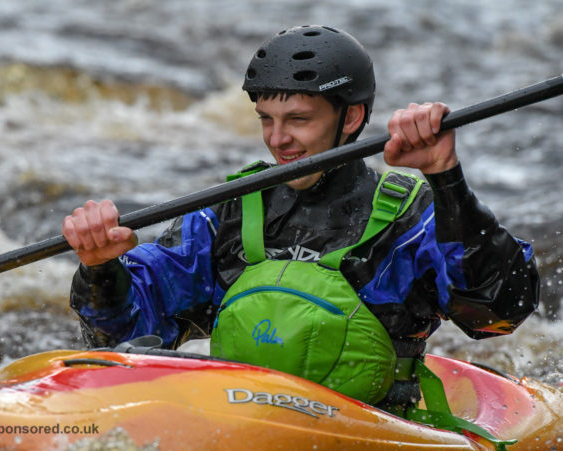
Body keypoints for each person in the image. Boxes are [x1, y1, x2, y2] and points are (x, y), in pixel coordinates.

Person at [62, 25, 539, 408]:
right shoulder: (232, 211)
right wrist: (101, 267)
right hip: (240, 417)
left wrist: (445, 177)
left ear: (350, 119)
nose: (277, 140)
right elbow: (122, 333)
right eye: (267, 120)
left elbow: (500, 311)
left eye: (298, 120)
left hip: (372, 421)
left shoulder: (407, 218)